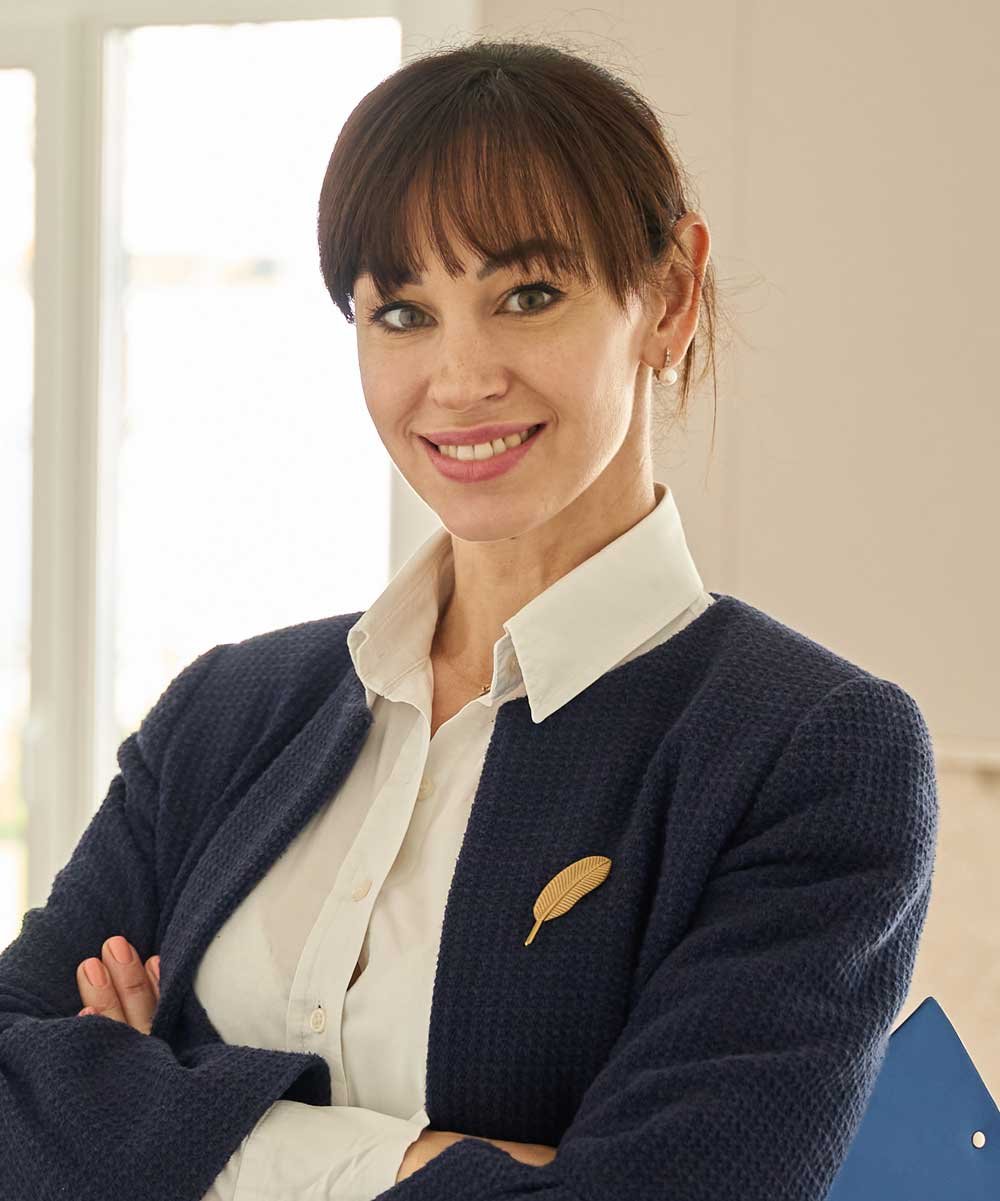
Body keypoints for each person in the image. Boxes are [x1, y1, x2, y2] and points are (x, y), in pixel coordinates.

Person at [0, 37, 937, 1201]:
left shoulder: (809, 753)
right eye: (401, 312)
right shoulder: (226, 711)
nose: (458, 378)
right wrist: (413, 1159)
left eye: (527, 296)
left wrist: (146, 1115)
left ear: (668, 298)